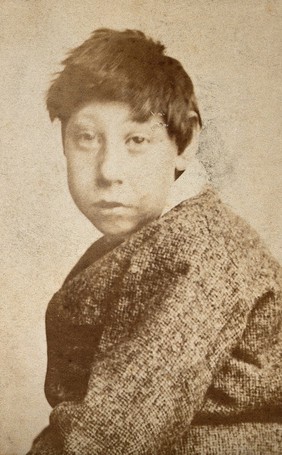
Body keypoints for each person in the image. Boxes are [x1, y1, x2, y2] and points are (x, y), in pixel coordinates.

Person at [28, 28, 281, 454]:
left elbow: (113, 438)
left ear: (185, 142)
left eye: (137, 140)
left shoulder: (199, 250)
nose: (109, 170)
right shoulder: (148, 237)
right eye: (86, 138)